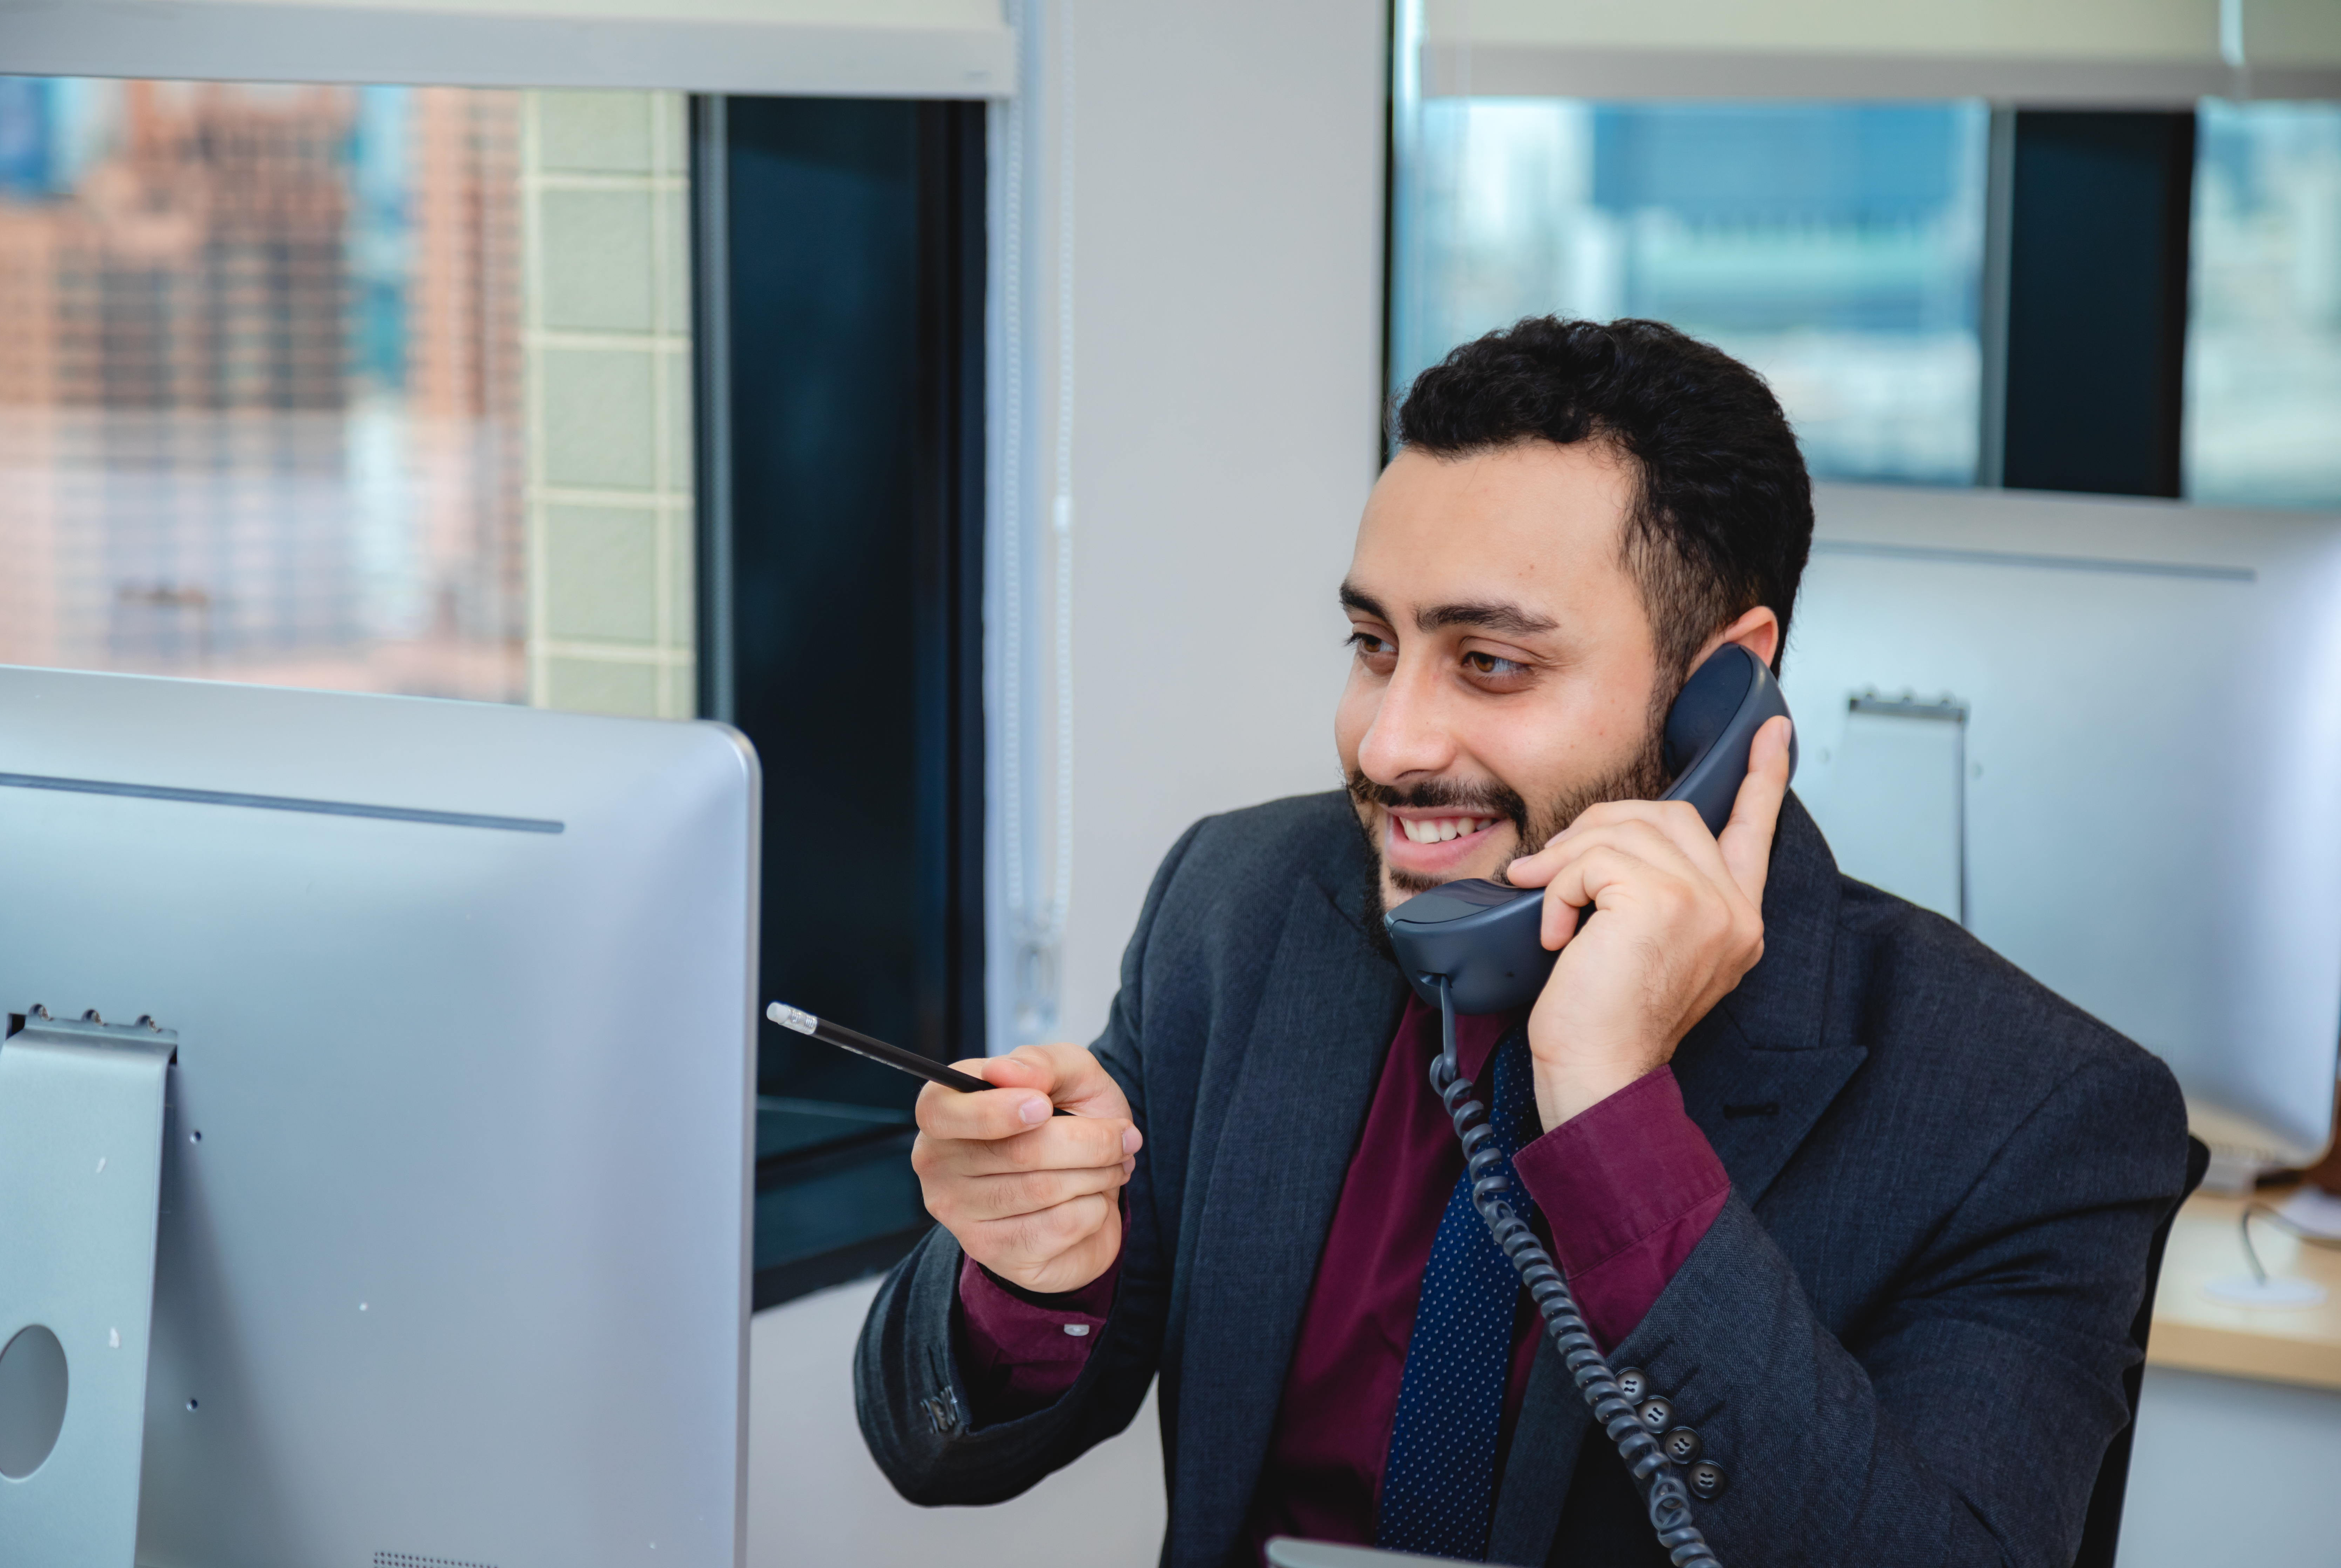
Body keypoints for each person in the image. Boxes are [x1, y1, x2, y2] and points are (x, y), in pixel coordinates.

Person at [854, 317, 2192, 1567]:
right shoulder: (1246, 904)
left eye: (1490, 662)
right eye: (1375, 644)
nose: (1387, 745)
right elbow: (941, 1446)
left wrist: (1617, 1125)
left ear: (1722, 687)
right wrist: (1027, 1266)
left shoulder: (2033, 1114)